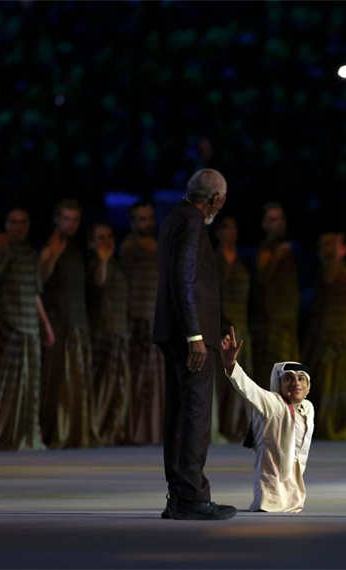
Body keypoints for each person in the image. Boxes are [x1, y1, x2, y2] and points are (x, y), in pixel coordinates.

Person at [153, 168, 236, 520]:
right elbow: (184, 280)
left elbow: (190, 282)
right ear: (216, 199)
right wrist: (196, 336)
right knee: (195, 415)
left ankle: (179, 495)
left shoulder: (176, 217)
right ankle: (192, 497)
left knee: (180, 414)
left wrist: (220, 323)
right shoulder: (191, 223)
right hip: (189, 338)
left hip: (177, 332)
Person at [221, 326, 315, 513]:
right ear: (279, 384)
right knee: (270, 502)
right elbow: (248, 388)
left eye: (301, 379)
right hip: (271, 478)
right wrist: (231, 364)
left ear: (308, 386)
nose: (296, 383)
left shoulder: (308, 407)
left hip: (294, 481)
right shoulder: (273, 403)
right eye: (288, 378)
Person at [0, 208, 54, 451]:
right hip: (7, 326)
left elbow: (35, 292)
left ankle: (25, 436)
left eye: (23, 222)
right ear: (5, 224)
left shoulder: (30, 253)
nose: (18, 227)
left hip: (30, 327)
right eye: (13, 222)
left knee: (30, 388)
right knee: (2, 385)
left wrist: (45, 325)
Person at [39, 199, 98, 448]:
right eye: (66, 218)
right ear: (56, 219)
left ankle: (77, 434)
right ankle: (55, 434)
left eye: (74, 219)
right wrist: (52, 255)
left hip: (78, 323)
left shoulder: (77, 249)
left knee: (78, 381)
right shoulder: (49, 247)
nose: (70, 224)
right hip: (57, 324)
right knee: (57, 381)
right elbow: (39, 282)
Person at [303, 231, 346, 440]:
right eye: (327, 244)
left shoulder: (336, 267)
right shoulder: (330, 268)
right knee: (330, 377)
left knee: (340, 378)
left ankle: (336, 422)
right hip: (330, 335)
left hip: (342, 332)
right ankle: (330, 424)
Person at [120, 200, 164, 444]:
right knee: (139, 379)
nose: (147, 223)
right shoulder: (129, 247)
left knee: (157, 379)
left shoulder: (159, 246)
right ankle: (138, 431)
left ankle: (155, 431)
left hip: (157, 318)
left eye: (149, 218)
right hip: (137, 319)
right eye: (142, 219)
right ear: (133, 222)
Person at [87, 223, 130, 446]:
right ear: (92, 242)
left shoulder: (118, 265)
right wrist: (102, 259)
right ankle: (97, 431)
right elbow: (99, 282)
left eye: (109, 235)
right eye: (100, 237)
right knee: (101, 387)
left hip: (120, 332)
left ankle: (113, 431)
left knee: (119, 387)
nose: (106, 241)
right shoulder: (95, 264)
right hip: (102, 334)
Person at [251, 203, 300, 390]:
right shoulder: (266, 249)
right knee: (274, 377)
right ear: (264, 224)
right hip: (272, 326)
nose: (277, 224)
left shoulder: (288, 250)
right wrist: (276, 257)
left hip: (289, 324)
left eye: (280, 219)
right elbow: (262, 278)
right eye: (272, 220)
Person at [214, 216, 252, 443]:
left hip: (241, 325)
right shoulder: (213, 260)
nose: (231, 232)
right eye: (226, 228)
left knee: (241, 378)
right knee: (221, 379)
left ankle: (237, 426)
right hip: (220, 326)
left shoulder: (242, 261)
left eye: (234, 228)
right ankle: (218, 427)